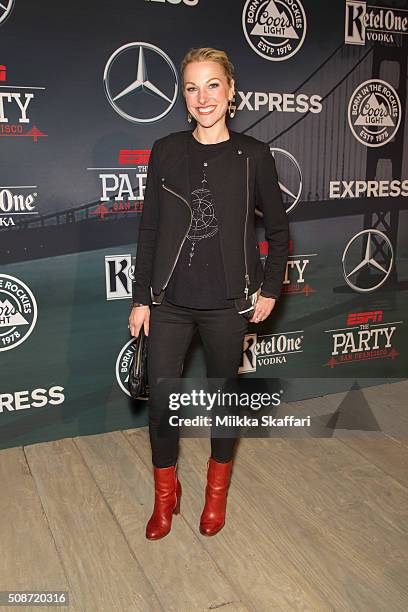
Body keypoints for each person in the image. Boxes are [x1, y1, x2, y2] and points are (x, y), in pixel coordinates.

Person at [128, 47, 289, 540]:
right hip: (170, 303)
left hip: (227, 305)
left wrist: (269, 289)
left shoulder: (254, 156)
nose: (203, 97)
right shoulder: (165, 150)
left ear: (231, 91)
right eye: (192, 87)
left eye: (212, 85)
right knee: (162, 406)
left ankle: (214, 497)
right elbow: (150, 229)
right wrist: (140, 298)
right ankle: (165, 497)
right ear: (183, 95)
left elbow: (279, 233)